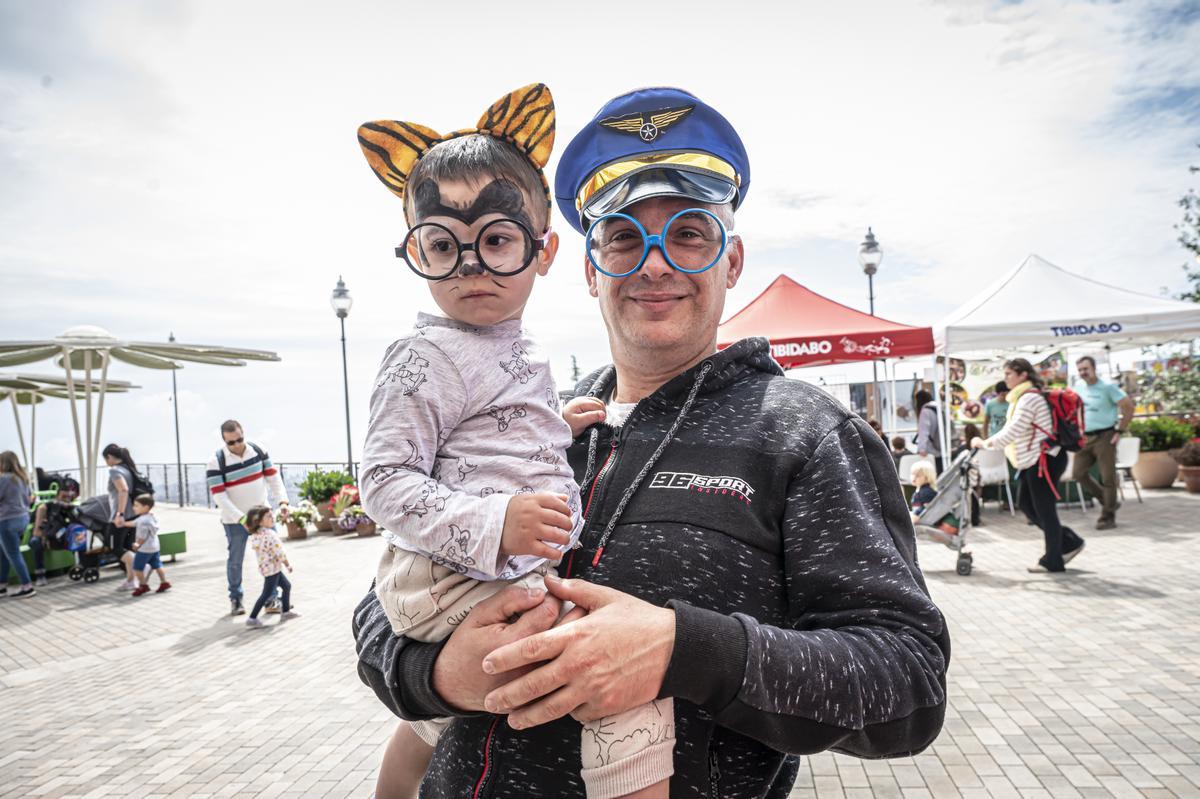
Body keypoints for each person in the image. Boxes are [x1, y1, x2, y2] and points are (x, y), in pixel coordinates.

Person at [353, 86, 949, 797]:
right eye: (625, 237)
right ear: (587, 268)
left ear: (731, 261)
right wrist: (436, 674)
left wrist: (682, 648)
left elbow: (906, 682)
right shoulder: (530, 418)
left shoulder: (808, 434)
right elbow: (384, 599)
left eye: (690, 233)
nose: (655, 263)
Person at [356, 84, 671, 799]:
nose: (470, 264)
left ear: (544, 249)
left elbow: (488, 434)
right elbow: (384, 480)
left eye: (495, 240)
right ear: (414, 251)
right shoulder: (423, 356)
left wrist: (560, 421)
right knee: (615, 667)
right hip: (448, 571)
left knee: (449, 707)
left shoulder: (501, 346)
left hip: (462, 570)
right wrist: (498, 523)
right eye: (443, 244)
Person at [972, 357, 1085, 572]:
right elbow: (1015, 430)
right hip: (1034, 461)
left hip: (1043, 460)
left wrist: (985, 443)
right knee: (1026, 504)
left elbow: (1013, 430)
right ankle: (1069, 541)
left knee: (1044, 510)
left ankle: (1053, 560)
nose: (1005, 378)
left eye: (1008, 374)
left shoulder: (1028, 399)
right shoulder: (1021, 398)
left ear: (1023, 375)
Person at [205, 420, 289, 615]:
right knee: (236, 559)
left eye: (240, 439)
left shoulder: (258, 451)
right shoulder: (216, 461)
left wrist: (283, 502)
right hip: (236, 521)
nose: (237, 445)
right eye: (231, 442)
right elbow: (219, 496)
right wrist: (242, 519)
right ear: (224, 441)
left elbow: (273, 478)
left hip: (263, 517)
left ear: (243, 434)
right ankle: (236, 597)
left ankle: (272, 599)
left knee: (273, 556)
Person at [1072, 355, 1134, 530]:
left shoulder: (1107, 387)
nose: (1083, 373)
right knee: (1078, 473)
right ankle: (1109, 502)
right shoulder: (1078, 387)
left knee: (1108, 478)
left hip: (1105, 436)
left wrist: (1120, 430)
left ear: (1094, 368)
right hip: (1085, 437)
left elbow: (1128, 406)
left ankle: (1107, 516)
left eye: (1086, 369)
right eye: (1080, 370)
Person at [243, 505, 299, 628]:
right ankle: (252, 618)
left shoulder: (256, 534)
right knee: (266, 594)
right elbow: (279, 552)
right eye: (268, 516)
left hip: (268, 568)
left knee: (286, 586)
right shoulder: (269, 534)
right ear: (260, 521)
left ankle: (285, 611)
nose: (272, 517)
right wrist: (287, 564)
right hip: (273, 569)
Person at [101, 443, 139, 590]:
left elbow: (123, 490)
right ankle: (131, 580)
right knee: (128, 547)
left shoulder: (115, 471)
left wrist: (119, 514)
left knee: (114, 547)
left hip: (121, 516)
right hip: (133, 515)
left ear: (110, 457)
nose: (106, 463)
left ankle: (142, 565)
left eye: (106, 459)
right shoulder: (128, 469)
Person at [0, 451, 36, 598]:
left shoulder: (4, 479)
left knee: (13, 554)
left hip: (7, 520)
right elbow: (30, 499)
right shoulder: (23, 478)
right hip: (22, 519)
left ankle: (27, 586)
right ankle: (1, 585)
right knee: (3, 553)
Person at [120, 494, 171, 596]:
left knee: (137, 568)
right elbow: (134, 523)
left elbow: (142, 536)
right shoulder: (150, 517)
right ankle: (164, 582)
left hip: (144, 549)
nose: (134, 508)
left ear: (146, 507)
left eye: (137, 506)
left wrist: (137, 544)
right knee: (157, 565)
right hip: (154, 547)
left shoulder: (143, 521)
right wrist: (123, 523)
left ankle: (143, 585)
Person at [29, 485, 73, 586]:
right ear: (57, 497)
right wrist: (45, 537)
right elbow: (36, 531)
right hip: (42, 534)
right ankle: (40, 574)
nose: (66, 500)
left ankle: (82, 565)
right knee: (36, 542)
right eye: (63, 497)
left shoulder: (68, 508)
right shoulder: (44, 507)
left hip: (57, 534)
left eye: (68, 497)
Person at [914, 389, 943, 474]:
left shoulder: (925, 411)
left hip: (931, 452)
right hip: (942, 448)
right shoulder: (939, 408)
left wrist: (921, 449)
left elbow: (924, 432)